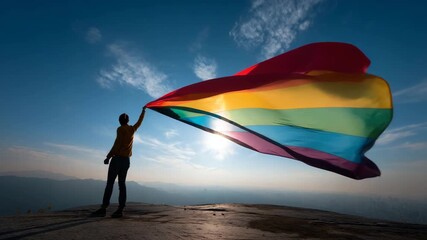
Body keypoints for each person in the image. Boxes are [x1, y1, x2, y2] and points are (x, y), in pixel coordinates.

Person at [91, 106, 146, 218]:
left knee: (110, 184)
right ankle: (120, 210)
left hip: (117, 160)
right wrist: (143, 111)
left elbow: (117, 144)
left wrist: (108, 157)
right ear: (128, 121)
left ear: (120, 121)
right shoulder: (132, 129)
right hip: (126, 161)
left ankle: (103, 208)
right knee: (122, 185)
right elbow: (139, 122)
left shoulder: (120, 129)